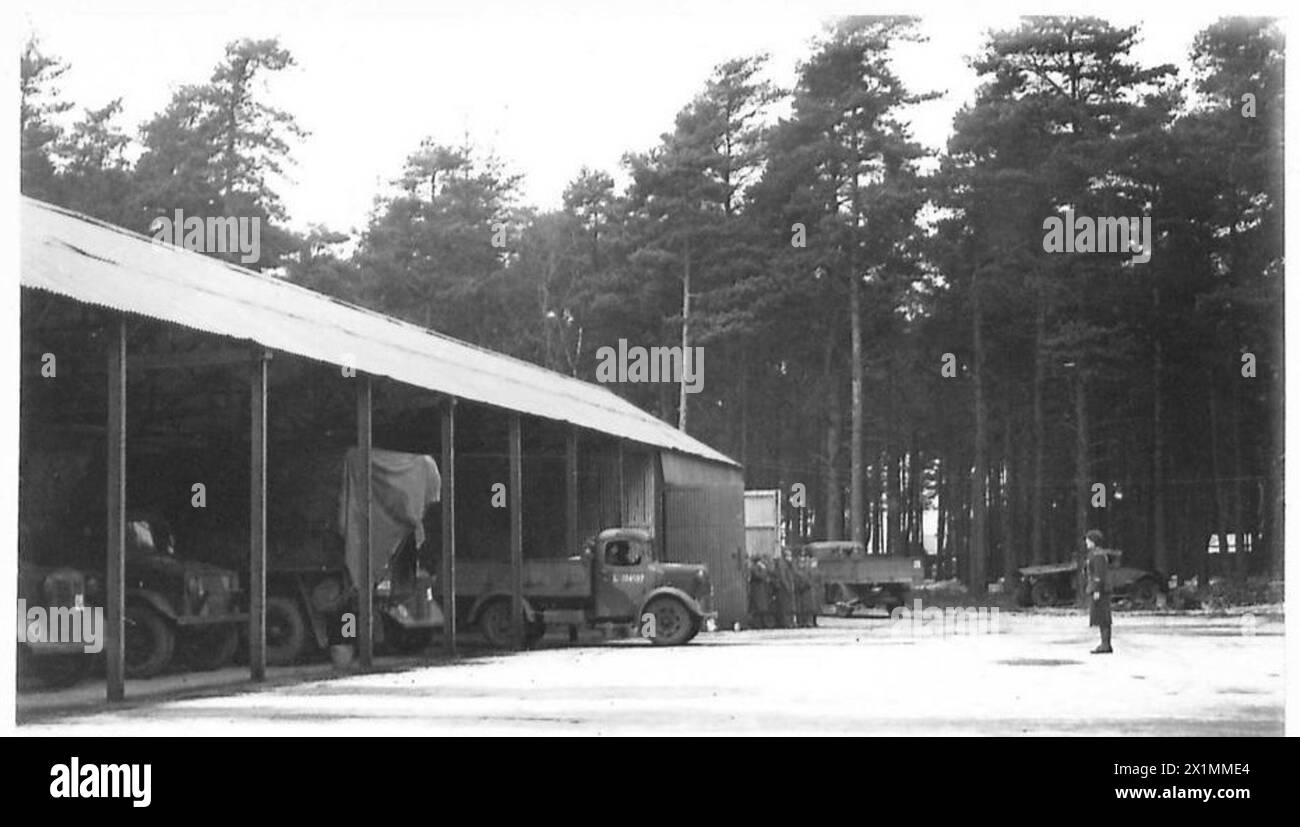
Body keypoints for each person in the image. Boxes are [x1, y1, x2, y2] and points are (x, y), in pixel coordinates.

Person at [1084, 529, 1113, 654]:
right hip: (1100, 589)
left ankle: (1105, 644)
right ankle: (1105, 643)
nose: (1086, 542)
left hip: (1100, 590)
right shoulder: (1096, 554)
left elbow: (1098, 574)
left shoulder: (1098, 555)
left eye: (1088, 540)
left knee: (1103, 617)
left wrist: (1096, 590)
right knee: (1101, 617)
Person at [747, 555, 774, 629]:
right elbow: (759, 576)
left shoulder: (758, 568)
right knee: (758, 609)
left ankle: (762, 624)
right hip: (757, 591)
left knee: (761, 609)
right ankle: (758, 625)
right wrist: (764, 570)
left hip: (761, 591)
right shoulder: (754, 568)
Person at [772, 548, 797, 629]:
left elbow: (793, 574)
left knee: (790, 606)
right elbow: (783, 577)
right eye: (788, 556)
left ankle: (791, 621)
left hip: (789, 588)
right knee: (785, 607)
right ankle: (786, 623)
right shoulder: (782, 565)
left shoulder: (789, 565)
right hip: (784, 590)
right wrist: (788, 587)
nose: (790, 558)